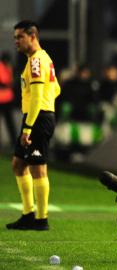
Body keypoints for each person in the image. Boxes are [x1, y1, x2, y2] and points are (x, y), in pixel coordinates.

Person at [6, 20, 61, 230]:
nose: (16, 42)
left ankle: (41, 219)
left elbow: (39, 96)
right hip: (36, 117)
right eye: (15, 38)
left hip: (37, 119)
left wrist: (29, 126)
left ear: (32, 36)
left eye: (20, 37)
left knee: (38, 168)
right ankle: (28, 214)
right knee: (18, 164)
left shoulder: (37, 61)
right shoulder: (41, 59)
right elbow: (56, 89)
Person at [0, 51, 17, 146]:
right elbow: (4, 81)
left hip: (7, 99)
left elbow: (11, 81)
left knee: (9, 122)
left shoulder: (8, 67)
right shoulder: (2, 67)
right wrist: (9, 83)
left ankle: (14, 142)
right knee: (9, 121)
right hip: (2, 99)